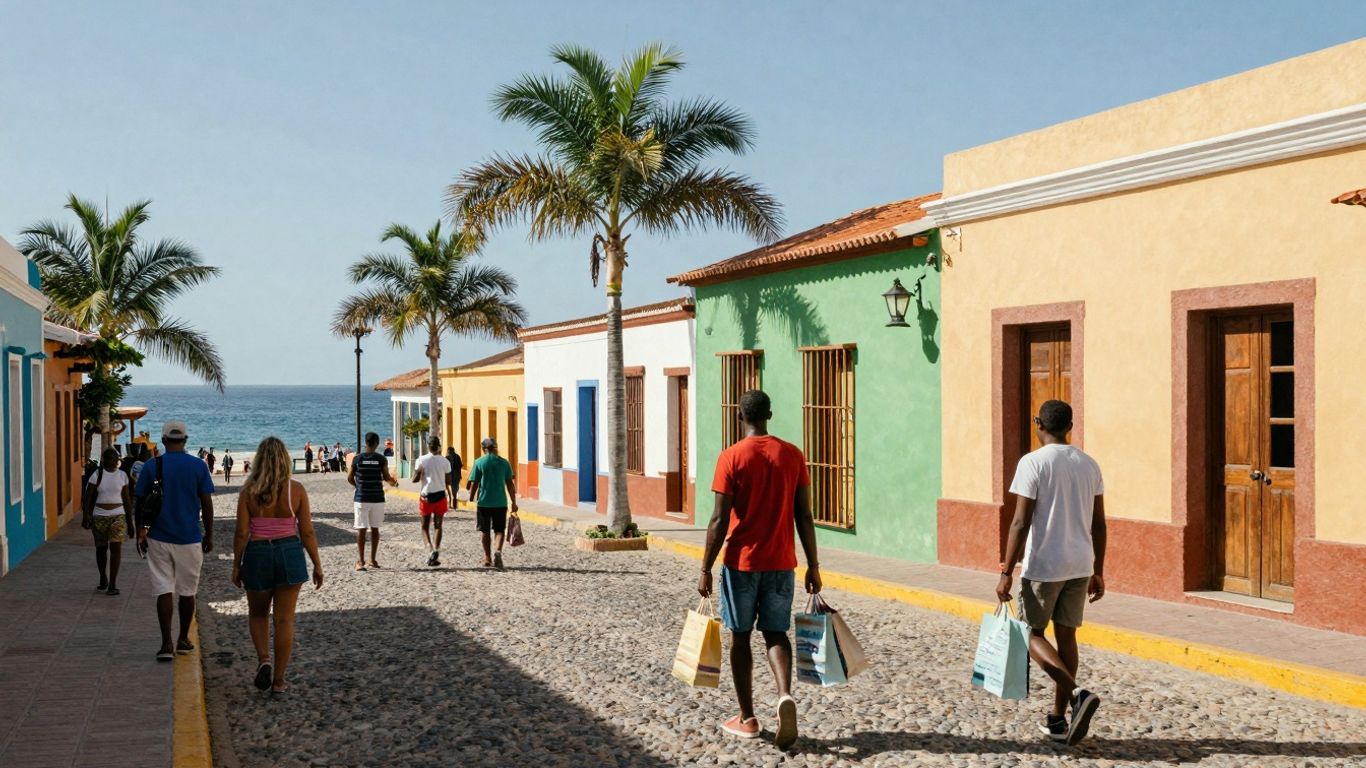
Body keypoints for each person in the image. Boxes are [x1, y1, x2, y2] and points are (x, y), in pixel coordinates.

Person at [698, 389, 821, 750]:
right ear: (770, 413)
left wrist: (705, 566)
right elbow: (805, 515)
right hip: (782, 563)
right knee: (776, 634)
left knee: (740, 637)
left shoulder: (731, 457)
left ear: (740, 416)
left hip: (741, 564)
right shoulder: (793, 455)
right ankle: (784, 694)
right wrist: (814, 565)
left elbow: (719, 519)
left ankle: (747, 717)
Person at [996, 399, 1107, 746]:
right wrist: (1098, 570)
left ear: (1037, 424)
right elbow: (1099, 524)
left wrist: (1007, 570)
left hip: (1045, 565)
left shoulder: (1032, 463)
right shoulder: (1089, 464)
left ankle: (1076, 695)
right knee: (1067, 637)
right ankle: (1057, 720)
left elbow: (1019, 520)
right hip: (1080, 564)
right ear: (1069, 427)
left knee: (1029, 633)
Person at [231, 436, 323, 697]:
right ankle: (280, 681)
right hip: (289, 553)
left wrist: (236, 565)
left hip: (258, 554)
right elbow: (306, 532)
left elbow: (241, 533)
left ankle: (264, 659)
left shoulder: (248, 492)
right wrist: (317, 563)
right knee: (284, 620)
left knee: (258, 614)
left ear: (259, 460)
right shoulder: (297, 490)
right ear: (284, 460)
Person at [134, 421, 214, 662]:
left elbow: (140, 502)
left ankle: (166, 644)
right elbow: (206, 503)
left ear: (164, 440)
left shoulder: (152, 466)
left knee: (163, 589)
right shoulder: (198, 466)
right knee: (188, 592)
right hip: (189, 538)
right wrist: (209, 534)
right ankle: (183, 640)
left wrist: (141, 531)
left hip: (158, 537)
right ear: (185, 440)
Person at [83, 448, 134, 596]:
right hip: (99, 516)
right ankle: (102, 577)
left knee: (116, 547)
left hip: (118, 516)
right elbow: (88, 497)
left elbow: (127, 500)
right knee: (101, 549)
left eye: (115, 458)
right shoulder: (96, 475)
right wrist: (86, 516)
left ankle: (112, 583)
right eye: (109, 458)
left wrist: (130, 523)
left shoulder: (122, 476)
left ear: (117, 460)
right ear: (104, 460)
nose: (113, 461)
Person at [347, 432, 397, 571]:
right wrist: (393, 482)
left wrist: (358, 486)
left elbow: (350, 477)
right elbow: (387, 477)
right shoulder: (381, 459)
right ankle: (372, 560)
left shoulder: (357, 459)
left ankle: (360, 561)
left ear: (366, 442)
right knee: (375, 529)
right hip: (377, 498)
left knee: (361, 529)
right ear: (376, 443)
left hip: (361, 498)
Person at [467, 437, 518, 570]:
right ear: (495, 448)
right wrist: (514, 502)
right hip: (500, 502)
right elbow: (510, 484)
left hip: (484, 502)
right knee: (499, 530)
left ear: (483, 449)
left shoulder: (479, 462)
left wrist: (471, 498)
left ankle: (487, 558)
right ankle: (498, 552)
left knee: (485, 531)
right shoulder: (504, 463)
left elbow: (474, 483)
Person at [412, 436, 451, 567]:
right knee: (438, 526)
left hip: (426, 497)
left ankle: (429, 548)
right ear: (439, 446)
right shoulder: (445, 461)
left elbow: (415, 480)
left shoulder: (421, 460)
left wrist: (420, 472)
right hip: (440, 497)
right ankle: (436, 550)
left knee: (424, 527)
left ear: (428, 446)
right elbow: (449, 481)